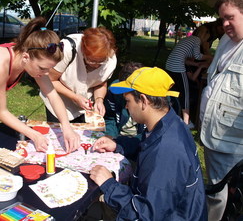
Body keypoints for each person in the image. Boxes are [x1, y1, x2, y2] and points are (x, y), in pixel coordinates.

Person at [90, 67, 207, 220]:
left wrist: (109, 185)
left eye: (128, 101)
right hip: (176, 210)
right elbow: (145, 145)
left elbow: (146, 215)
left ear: (144, 101)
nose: (126, 107)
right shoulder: (170, 123)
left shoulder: (166, 153)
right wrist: (118, 144)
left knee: (93, 208)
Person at [0, 17, 80, 153]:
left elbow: (52, 95)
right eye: (43, 68)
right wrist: (34, 135)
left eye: (49, 69)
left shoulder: (31, 58)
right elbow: (1, 112)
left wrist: (67, 127)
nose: (46, 74)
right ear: (26, 57)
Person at [200, 0, 243, 220]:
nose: (225, 24)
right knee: (216, 190)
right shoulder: (227, 40)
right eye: (222, 18)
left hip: (234, 143)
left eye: (230, 18)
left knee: (226, 194)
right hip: (214, 134)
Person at [40, 27, 117, 122]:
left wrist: (99, 100)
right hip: (58, 102)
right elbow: (50, 80)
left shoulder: (110, 59)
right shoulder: (67, 49)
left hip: (84, 109)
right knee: (61, 134)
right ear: (83, 50)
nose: (97, 66)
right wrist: (75, 97)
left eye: (101, 62)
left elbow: (101, 83)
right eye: (92, 61)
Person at [165, 29, 213, 125]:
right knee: (185, 94)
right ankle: (186, 122)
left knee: (173, 93)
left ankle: (169, 115)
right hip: (178, 67)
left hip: (169, 66)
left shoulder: (188, 39)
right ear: (205, 36)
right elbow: (198, 56)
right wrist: (211, 57)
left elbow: (186, 59)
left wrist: (198, 65)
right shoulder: (196, 40)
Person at [104, 61, 145, 139]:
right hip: (118, 136)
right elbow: (110, 117)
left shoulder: (155, 100)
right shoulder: (113, 91)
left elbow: (152, 132)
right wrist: (110, 136)